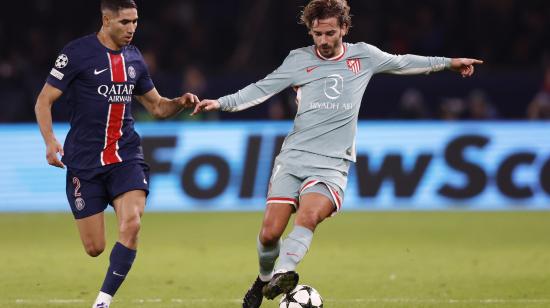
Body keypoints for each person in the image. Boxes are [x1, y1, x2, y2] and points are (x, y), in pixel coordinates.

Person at [192, 0, 483, 307]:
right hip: (293, 157)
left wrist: (449, 62)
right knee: (269, 234)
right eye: (317, 34)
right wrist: (221, 102)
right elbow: (261, 88)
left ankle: (285, 270)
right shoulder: (298, 60)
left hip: (333, 163)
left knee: (309, 215)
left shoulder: (364, 56)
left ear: (344, 28)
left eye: (330, 33)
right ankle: (265, 279)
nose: (324, 41)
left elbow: (403, 62)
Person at [34, 1, 199, 307]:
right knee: (95, 247)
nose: (132, 28)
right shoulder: (76, 54)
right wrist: (49, 140)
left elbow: (157, 106)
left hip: (126, 156)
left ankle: (102, 301)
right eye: (125, 22)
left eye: (135, 21)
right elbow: (43, 101)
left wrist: (180, 101)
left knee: (132, 223)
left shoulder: (135, 58)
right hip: (84, 162)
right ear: (106, 19)